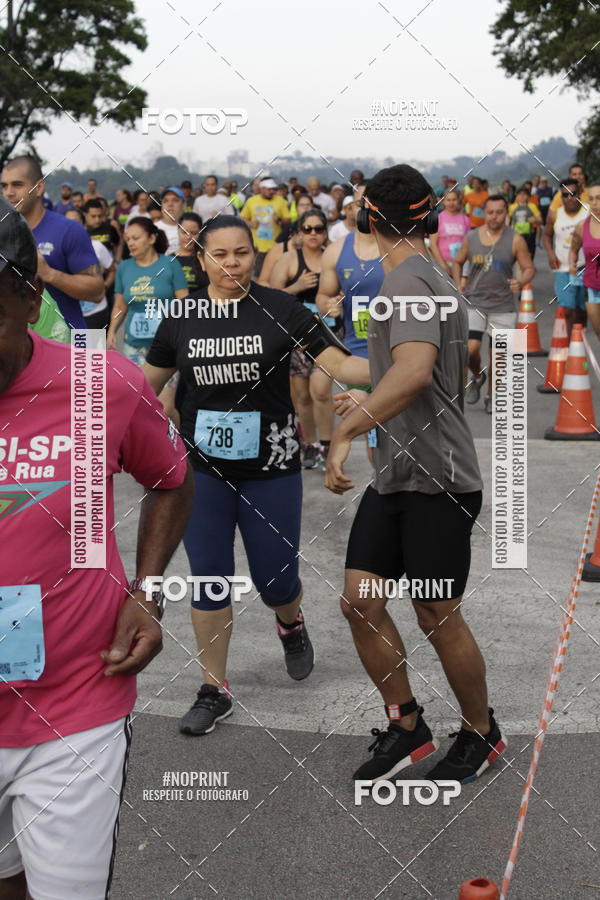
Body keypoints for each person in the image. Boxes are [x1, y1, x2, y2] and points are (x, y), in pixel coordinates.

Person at [0, 195, 193, 899]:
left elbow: (172, 478)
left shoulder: (100, 383)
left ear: (28, 295)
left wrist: (149, 591)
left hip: (73, 706)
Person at [141, 215, 370, 736]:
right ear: (200, 260)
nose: (231, 264)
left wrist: (412, 359)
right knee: (209, 575)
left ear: (255, 254)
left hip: (272, 467)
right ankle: (213, 688)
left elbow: (341, 364)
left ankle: (290, 621)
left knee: (274, 578)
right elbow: (141, 384)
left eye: (241, 252)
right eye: (219, 254)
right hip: (202, 471)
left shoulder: (281, 307)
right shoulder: (181, 317)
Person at [324, 164, 506, 786]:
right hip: (399, 476)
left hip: (441, 481)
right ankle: (406, 726)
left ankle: (482, 731)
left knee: (436, 613)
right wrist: (363, 393)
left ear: (370, 217)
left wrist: (346, 431)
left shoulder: (406, 282)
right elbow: (398, 373)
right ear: (428, 217)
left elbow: (415, 372)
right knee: (360, 601)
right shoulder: (425, 277)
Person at [316, 182, 384, 461]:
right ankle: (383, 488)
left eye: (371, 204)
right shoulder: (336, 250)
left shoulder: (400, 247)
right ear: (351, 208)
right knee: (373, 433)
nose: (364, 209)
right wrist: (327, 305)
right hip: (358, 355)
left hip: (398, 350)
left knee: (401, 431)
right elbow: (323, 295)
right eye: (359, 203)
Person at [453, 194, 535, 413]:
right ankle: (478, 376)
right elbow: (458, 261)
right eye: (490, 212)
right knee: (470, 350)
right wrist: (457, 284)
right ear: (484, 213)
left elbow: (529, 268)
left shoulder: (515, 239)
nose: (494, 217)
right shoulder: (471, 237)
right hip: (475, 303)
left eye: (499, 212)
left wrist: (521, 281)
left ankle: (492, 396)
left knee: (498, 355)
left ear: (506, 214)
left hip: (503, 306)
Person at [1, 155, 104, 329]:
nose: (9, 192)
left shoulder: (69, 229)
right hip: (14, 344)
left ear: (39, 187)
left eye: (17, 185)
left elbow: (97, 291)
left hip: (70, 342)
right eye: (4, 186)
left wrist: (49, 274)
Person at [271, 208, 334, 469]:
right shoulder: (289, 260)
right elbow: (272, 298)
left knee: (320, 391)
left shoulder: (333, 257)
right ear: (298, 233)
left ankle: (328, 446)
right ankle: (310, 444)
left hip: (327, 332)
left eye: (318, 229)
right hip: (295, 336)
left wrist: (336, 303)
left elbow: (348, 292)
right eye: (307, 229)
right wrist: (296, 288)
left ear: (325, 232)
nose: (313, 234)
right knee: (302, 396)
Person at [543, 177, 589, 339]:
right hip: (563, 269)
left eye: (573, 193)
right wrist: (550, 253)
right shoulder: (555, 215)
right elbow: (547, 236)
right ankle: (570, 347)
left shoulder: (589, 211)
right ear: (560, 197)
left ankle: (580, 341)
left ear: (580, 194)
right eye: (565, 195)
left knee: (582, 309)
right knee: (567, 309)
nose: (569, 198)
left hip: (586, 268)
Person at [258, 194, 313, 286]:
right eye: (302, 205)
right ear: (291, 235)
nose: (306, 208)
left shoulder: (320, 251)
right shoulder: (280, 249)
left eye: (308, 204)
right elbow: (263, 281)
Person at [240, 177, 290, 276]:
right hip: (258, 247)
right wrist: (250, 223)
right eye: (269, 189)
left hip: (276, 246)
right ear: (262, 188)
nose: (272, 191)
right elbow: (242, 218)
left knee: (276, 275)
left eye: (274, 189)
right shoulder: (251, 201)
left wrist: (279, 220)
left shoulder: (280, 200)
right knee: (259, 276)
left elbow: (288, 220)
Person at [429, 189, 471, 272]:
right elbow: (433, 244)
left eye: (454, 200)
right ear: (443, 201)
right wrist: (442, 265)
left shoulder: (465, 219)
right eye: (448, 200)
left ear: (458, 200)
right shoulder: (438, 219)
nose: (451, 203)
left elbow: (469, 244)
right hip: (443, 264)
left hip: (461, 265)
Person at [172, 211, 209, 293]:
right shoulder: (169, 260)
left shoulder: (205, 259)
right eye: (184, 232)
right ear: (178, 232)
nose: (188, 237)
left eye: (194, 233)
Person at [508, 185, 542, 260]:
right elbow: (509, 220)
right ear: (516, 196)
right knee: (517, 256)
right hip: (517, 235)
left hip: (529, 235)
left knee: (529, 256)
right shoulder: (512, 207)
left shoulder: (532, 206)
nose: (522, 196)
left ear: (528, 196)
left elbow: (540, 220)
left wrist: (535, 219)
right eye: (519, 194)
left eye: (524, 194)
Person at [156, 186, 186, 254]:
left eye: (175, 200)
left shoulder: (192, 230)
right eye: (165, 201)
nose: (170, 204)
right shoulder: (153, 229)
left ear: (184, 205)